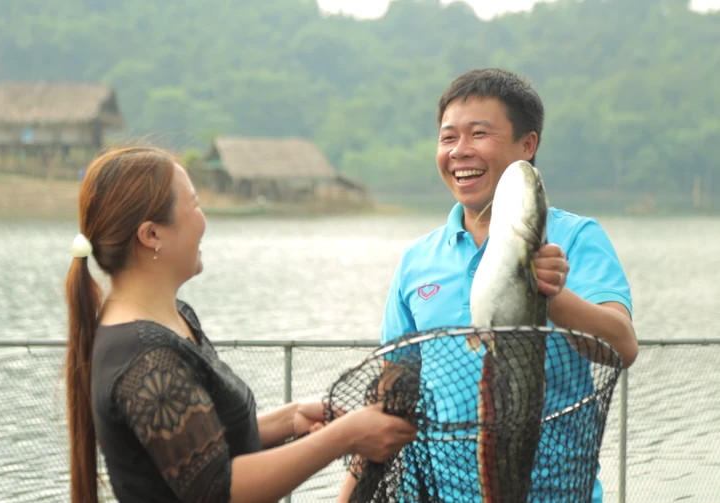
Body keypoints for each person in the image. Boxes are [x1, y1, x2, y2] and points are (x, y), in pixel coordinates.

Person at [338, 68, 638, 502]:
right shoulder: (418, 260)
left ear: (527, 145)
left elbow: (622, 346)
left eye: (479, 134)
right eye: (448, 138)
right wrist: (346, 495)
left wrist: (552, 296)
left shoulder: (575, 238)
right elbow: (392, 392)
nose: (460, 151)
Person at [64, 145, 417, 503]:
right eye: (195, 204)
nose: (203, 220)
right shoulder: (144, 356)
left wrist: (288, 420)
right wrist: (343, 437)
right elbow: (219, 490)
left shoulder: (175, 318)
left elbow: (197, 451)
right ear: (151, 235)